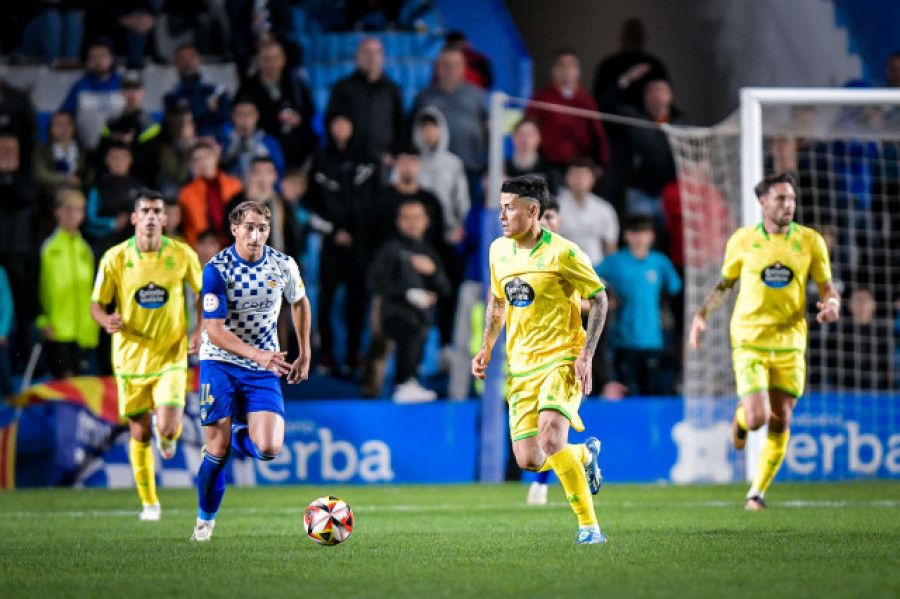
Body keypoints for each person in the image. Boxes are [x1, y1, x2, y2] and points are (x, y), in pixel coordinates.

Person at [688, 172, 841, 510]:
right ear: (762, 202)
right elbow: (725, 285)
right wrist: (701, 316)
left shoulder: (811, 241)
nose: (789, 205)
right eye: (781, 199)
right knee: (758, 417)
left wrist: (833, 305)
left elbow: (827, 288)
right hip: (749, 339)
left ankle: (756, 493)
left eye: (792, 198)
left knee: (782, 419)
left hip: (790, 341)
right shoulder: (742, 240)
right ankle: (742, 421)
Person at [472, 174, 609, 544]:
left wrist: (586, 354)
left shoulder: (563, 252)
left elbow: (599, 299)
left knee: (551, 436)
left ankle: (589, 528)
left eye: (509, 207)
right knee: (528, 459)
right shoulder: (498, 250)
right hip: (521, 367)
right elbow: (499, 300)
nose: (501, 215)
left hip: (560, 359)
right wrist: (486, 346)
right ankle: (581, 455)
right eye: (500, 207)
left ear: (532, 211)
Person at [191, 199, 311, 542]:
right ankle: (204, 522)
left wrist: (305, 350)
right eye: (249, 228)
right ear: (234, 229)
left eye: (262, 229)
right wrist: (256, 355)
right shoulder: (217, 269)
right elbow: (213, 330)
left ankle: (229, 440)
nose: (256, 235)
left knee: (270, 449)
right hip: (220, 362)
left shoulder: (283, 265)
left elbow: (299, 301)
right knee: (216, 452)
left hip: (263, 364)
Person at [90, 189, 204, 521]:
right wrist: (105, 320)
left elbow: (202, 293)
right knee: (139, 432)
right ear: (135, 218)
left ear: (165, 219)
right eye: (146, 211)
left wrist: (199, 331)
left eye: (158, 211)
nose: (152, 216)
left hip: (171, 353)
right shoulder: (115, 257)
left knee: (167, 426)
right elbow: (97, 304)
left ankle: (167, 435)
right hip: (130, 356)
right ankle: (150, 503)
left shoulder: (182, 254)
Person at [305, 112, 378, 377]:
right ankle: (325, 355)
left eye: (345, 121)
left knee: (358, 300)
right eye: (336, 122)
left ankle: (353, 355)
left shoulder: (368, 159)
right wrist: (334, 230)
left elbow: (374, 201)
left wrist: (358, 234)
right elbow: (311, 204)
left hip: (360, 244)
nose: (341, 127)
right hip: (332, 244)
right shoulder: (321, 160)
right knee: (326, 300)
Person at [368, 198, 450, 402]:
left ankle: (409, 382)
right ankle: (404, 383)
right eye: (406, 218)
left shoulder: (430, 252)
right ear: (398, 221)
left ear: (426, 221)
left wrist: (433, 273)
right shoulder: (390, 249)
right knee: (409, 327)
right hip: (392, 314)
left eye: (417, 218)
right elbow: (376, 283)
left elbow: (445, 289)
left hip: (422, 318)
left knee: (418, 329)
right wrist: (408, 294)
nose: (412, 223)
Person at [596, 215, 681, 396]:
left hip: (652, 339)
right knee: (626, 394)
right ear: (627, 236)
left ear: (651, 236)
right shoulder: (615, 262)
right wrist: (606, 296)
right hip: (623, 340)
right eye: (635, 233)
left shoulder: (659, 262)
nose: (640, 238)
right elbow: (588, 275)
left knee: (652, 393)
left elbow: (675, 288)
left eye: (644, 233)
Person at [37, 189, 99, 379]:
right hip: (56, 330)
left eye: (79, 209)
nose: (74, 214)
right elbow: (33, 287)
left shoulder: (86, 249)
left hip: (84, 332)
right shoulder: (47, 247)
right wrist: (41, 319)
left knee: (80, 387)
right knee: (65, 383)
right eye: (69, 208)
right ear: (58, 211)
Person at [235, 40, 318, 170]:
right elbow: (240, 114)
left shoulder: (296, 83)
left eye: (275, 58)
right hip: (264, 148)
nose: (271, 63)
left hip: (297, 146)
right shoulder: (247, 87)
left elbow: (309, 111)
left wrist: (299, 118)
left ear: (283, 59)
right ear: (259, 60)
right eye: (266, 59)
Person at [526, 49, 609, 179]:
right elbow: (528, 128)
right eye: (561, 65)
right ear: (553, 70)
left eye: (571, 65)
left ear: (578, 71)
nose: (566, 69)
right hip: (547, 165)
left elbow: (598, 135)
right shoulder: (540, 99)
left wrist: (600, 163)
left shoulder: (587, 102)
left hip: (580, 167)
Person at [326, 37, 404, 165]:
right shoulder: (342, 88)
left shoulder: (392, 90)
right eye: (366, 52)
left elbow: (400, 126)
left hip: (384, 162)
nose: (371, 57)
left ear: (382, 56)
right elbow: (332, 123)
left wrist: (395, 154)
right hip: (350, 161)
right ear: (357, 56)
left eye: (376, 52)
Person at [59, 37, 124, 151]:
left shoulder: (123, 85)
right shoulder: (79, 87)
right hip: (87, 150)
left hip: (118, 152)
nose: (98, 61)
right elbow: (65, 116)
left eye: (102, 56)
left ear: (111, 58)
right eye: (93, 57)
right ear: (87, 61)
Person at [98, 70, 161, 187]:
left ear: (143, 92)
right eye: (127, 88)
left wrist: (129, 147)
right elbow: (101, 156)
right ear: (121, 91)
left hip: (141, 183)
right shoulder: (111, 123)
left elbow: (152, 164)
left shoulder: (151, 126)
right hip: (112, 183)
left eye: (136, 88)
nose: (131, 94)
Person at [178, 140, 243, 248]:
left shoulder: (235, 186)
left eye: (206, 157)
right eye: (197, 160)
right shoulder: (186, 193)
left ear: (215, 158)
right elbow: (187, 228)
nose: (203, 162)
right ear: (193, 165)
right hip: (203, 250)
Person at [557, 158, 618, 267]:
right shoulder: (555, 208)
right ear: (567, 178)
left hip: (596, 268)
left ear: (592, 179)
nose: (579, 181)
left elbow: (610, 247)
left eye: (584, 176)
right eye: (575, 176)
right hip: (564, 269)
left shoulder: (605, 209)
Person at [164, 44, 231, 138]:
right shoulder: (171, 94)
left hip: (214, 139)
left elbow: (225, 116)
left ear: (198, 60)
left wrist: (192, 110)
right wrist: (207, 110)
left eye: (191, 57)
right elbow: (173, 122)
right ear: (176, 64)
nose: (187, 62)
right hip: (185, 141)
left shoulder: (217, 90)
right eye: (182, 59)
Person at [219, 99, 286, 180]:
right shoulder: (222, 139)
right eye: (240, 114)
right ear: (233, 116)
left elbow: (279, 172)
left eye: (250, 114)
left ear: (257, 116)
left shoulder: (269, 142)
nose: (245, 118)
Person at [503, 116, 559, 194]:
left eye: (530, 134)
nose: (525, 138)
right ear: (513, 137)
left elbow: (553, 202)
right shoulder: (501, 168)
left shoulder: (549, 170)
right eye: (521, 134)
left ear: (538, 138)